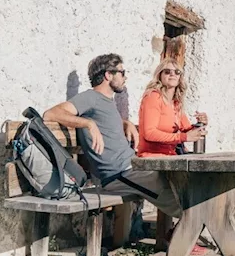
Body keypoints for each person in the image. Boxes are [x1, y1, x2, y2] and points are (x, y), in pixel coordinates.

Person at [43, 53, 181, 217]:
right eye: (122, 72)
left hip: (132, 168)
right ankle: (187, 231)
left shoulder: (107, 100)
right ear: (108, 75)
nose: (125, 77)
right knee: (176, 196)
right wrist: (88, 124)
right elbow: (50, 114)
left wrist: (125, 123)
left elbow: (103, 119)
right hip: (118, 175)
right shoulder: (91, 97)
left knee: (177, 179)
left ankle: (186, 230)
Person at [137, 60, 208, 156]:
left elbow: (187, 130)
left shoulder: (176, 103)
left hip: (171, 157)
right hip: (152, 158)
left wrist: (200, 124)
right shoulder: (153, 97)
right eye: (167, 71)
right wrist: (183, 137)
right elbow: (149, 133)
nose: (172, 74)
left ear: (180, 77)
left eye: (177, 72)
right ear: (160, 76)